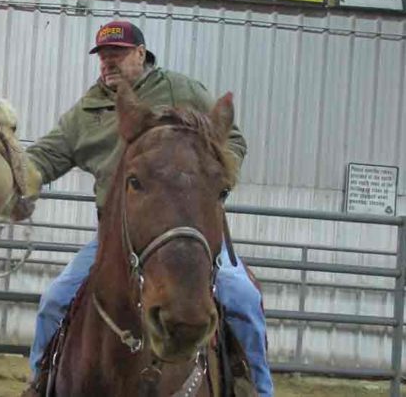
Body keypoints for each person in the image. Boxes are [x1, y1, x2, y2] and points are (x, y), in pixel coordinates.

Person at [25, 20, 273, 396]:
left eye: (118, 54)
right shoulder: (88, 110)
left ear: (141, 54)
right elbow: (47, 155)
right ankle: (40, 383)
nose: (109, 63)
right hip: (117, 238)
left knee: (242, 298)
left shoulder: (181, 89)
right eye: (105, 56)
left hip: (186, 229)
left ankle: (255, 386)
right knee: (55, 300)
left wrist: (215, 178)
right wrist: (15, 175)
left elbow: (231, 138)